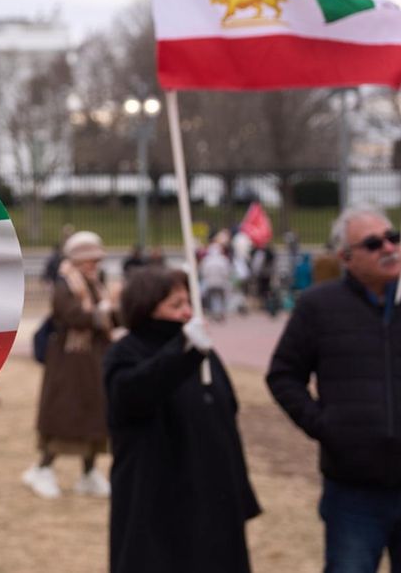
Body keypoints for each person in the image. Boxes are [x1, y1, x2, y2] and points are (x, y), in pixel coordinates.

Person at [267, 204, 401, 573]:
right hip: (353, 490)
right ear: (346, 257)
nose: (388, 248)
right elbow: (283, 375)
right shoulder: (319, 307)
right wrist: (324, 425)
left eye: (392, 238)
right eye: (373, 243)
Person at [105, 268, 260, 573]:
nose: (188, 312)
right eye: (176, 305)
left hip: (213, 497)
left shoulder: (204, 354)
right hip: (156, 503)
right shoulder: (125, 353)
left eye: (188, 302)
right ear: (146, 307)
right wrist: (181, 352)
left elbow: (227, 419)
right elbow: (133, 394)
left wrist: (239, 493)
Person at [24, 230, 116, 500]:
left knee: (93, 417)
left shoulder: (94, 283)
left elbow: (103, 315)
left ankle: (88, 473)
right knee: (65, 417)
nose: (94, 265)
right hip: (68, 365)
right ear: (77, 259)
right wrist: (104, 315)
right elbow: (73, 316)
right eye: (89, 260)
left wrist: (108, 314)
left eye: (97, 260)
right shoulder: (65, 284)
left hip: (92, 362)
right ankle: (42, 469)